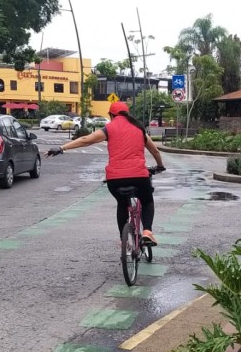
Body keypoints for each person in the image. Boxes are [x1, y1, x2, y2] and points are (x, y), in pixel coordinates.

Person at [46, 101, 165, 245]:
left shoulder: (109, 128)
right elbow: (155, 151)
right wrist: (159, 166)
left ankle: (123, 241)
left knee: (122, 204)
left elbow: (85, 140)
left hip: (115, 179)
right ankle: (147, 232)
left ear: (111, 114)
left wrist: (61, 148)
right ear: (127, 113)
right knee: (147, 201)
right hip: (139, 176)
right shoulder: (139, 129)